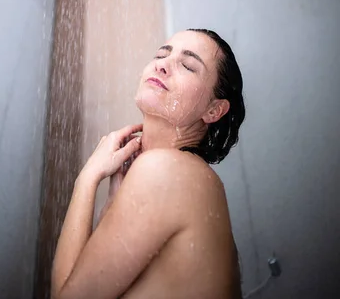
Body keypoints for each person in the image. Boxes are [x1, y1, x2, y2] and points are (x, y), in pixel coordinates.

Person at [51, 28, 245, 299]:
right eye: (160, 55)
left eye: (188, 66)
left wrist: (87, 177)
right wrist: (111, 203)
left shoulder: (166, 171)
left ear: (214, 110)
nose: (163, 65)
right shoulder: (188, 176)